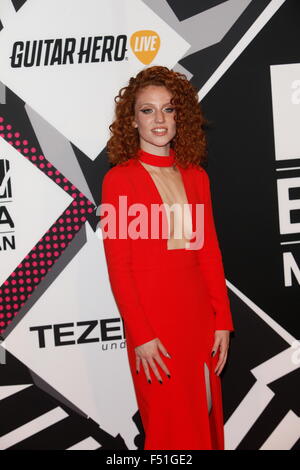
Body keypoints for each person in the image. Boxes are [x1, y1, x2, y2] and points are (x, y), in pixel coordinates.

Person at [99, 65, 235, 450]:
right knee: (169, 433)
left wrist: (222, 320)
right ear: (132, 120)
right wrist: (141, 335)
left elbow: (209, 252)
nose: (159, 119)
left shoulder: (195, 176)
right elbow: (119, 268)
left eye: (169, 109)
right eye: (147, 110)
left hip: (199, 323)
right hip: (155, 330)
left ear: (181, 117)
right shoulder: (119, 180)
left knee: (203, 425)